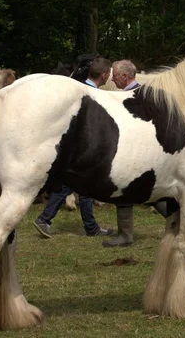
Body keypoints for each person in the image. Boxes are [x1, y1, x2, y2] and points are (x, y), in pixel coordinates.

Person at [34, 58, 115, 238]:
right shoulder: (91, 95)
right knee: (82, 188)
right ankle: (88, 227)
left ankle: (46, 219)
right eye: (108, 74)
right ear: (104, 75)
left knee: (71, 187)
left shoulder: (77, 89)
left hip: (73, 149)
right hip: (82, 149)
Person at [101, 60, 141, 247]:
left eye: (115, 76)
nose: (112, 79)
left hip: (132, 150)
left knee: (123, 191)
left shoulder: (134, 96)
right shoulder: (141, 92)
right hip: (133, 149)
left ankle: (125, 236)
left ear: (125, 77)